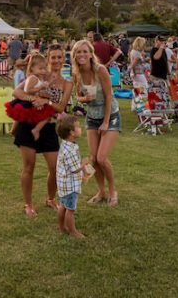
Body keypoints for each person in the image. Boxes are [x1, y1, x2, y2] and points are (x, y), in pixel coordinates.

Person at [11, 44, 71, 218]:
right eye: (53, 57)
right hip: (28, 125)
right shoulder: (36, 76)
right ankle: (28, 204)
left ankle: (50, 199)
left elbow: (61, 108)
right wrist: (33, 98)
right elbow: (17, 92)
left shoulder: (67, 83)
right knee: (29, 166)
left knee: (55, 167)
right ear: (48, 58)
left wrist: (47, 103)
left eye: (60, 57)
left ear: (64, 59)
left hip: (49, 126)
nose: (57, 60)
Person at [72, 39, 120, 207]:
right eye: (78, 52)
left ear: (91, 54)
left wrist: (106, 122)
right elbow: (78, 96)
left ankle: (113, 190)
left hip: (110, 115)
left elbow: (108, 96)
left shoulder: (101, 70)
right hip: (92, 116)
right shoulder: (76, 73)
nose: (82, 55)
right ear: (74, 55)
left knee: (101, 158)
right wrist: (85, 98)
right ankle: (101, 191)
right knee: (93, 159)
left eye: (85, 51)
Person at [5, 52, 54, 141]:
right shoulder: (33, 78)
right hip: (27, 100)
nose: (43, 71)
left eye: (44, 68)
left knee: (21, 117)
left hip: (31, 100)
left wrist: (43, 91)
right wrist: (40, 87)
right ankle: (33, 130)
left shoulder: (38, 77)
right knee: (46, 113)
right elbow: (28, 90)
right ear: (32, 68)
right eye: (41, 69)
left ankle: (14, 131)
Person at [56, 115, 88, 239]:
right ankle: (73, 231)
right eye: (78, 127)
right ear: (71, 132)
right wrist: (84, 163)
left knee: (63, 206)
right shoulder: (70, 150)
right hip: (70, 186)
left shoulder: (66, 144)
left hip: (63, 184)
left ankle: (61, 227)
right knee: (70, 209)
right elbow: (75, 170)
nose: (81, 129)